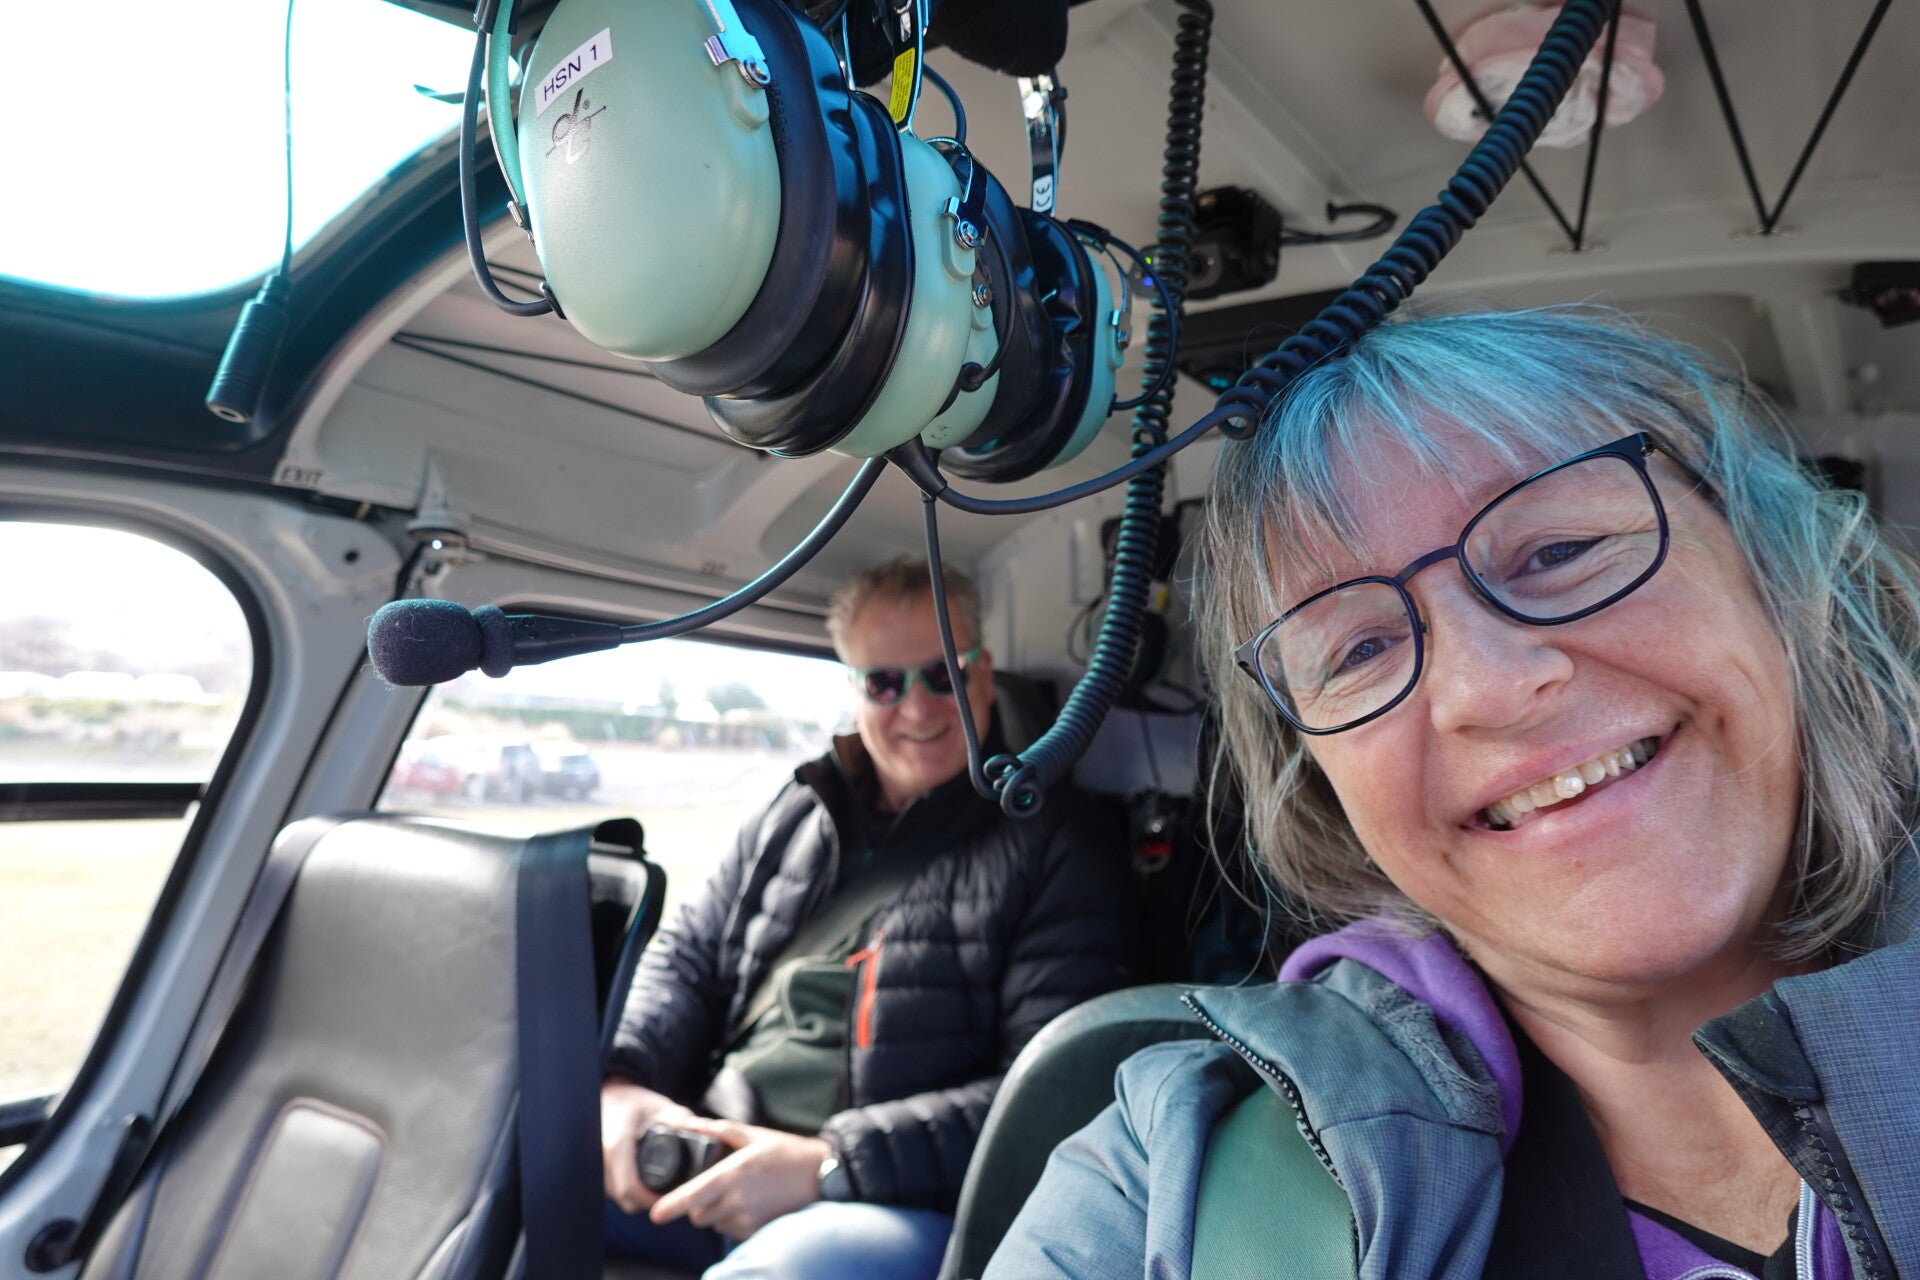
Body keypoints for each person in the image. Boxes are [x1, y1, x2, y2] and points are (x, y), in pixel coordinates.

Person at [987, 308, 1920, 1280]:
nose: (1487, 687)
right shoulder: (1169, 1185)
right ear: (1321, 783)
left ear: (1772, 572)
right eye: (1359, 648)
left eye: (1559, 550)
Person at [602, 556, 1138, 1279]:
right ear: (854, 690)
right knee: (523, 1168)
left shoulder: (1057, 844)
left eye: (944, 675)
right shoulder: (797, 810)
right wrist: (622, 1081)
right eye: (885, 682)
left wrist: (828, 1165)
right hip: (719, 1145)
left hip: (891, 1200)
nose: (917, 709)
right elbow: (687, 959)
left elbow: (1047, 1092)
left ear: (983, 677)